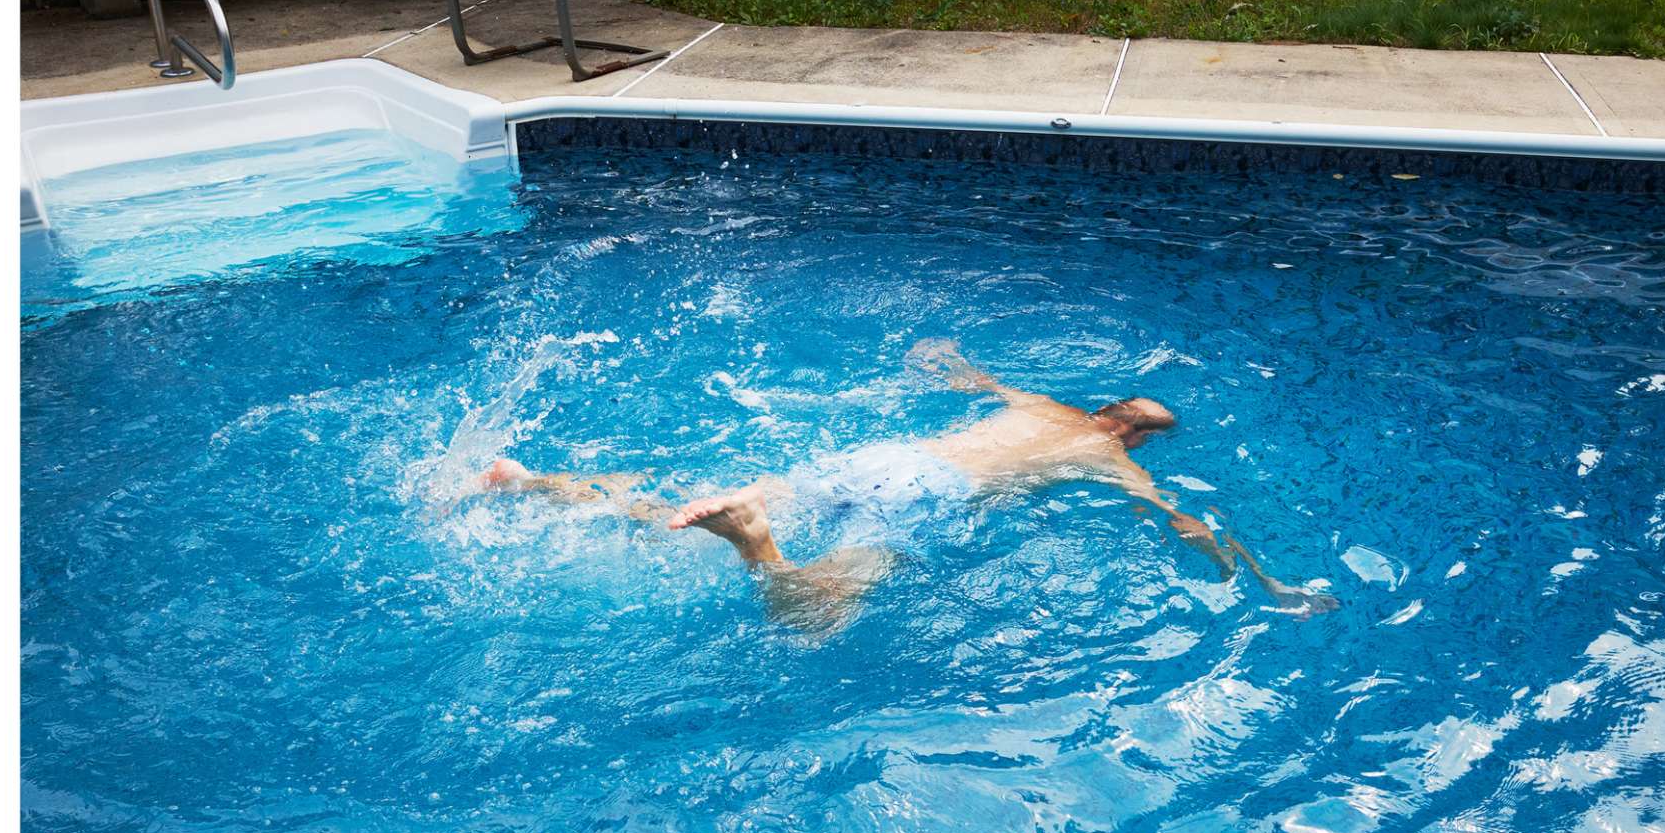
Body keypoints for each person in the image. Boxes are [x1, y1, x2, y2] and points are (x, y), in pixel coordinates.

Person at [476, 338, 1337, 630]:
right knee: (820, 614)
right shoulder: (1110, 459)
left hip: (880, 457)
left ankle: (524, 480)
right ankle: (754, 542)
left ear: (1104, 405)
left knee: (661, 511)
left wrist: (943, 360)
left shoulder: (1040, 403)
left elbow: (965, 373)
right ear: (1135, 435)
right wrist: (1259, 579)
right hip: (927, 495)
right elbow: (1183, 522)